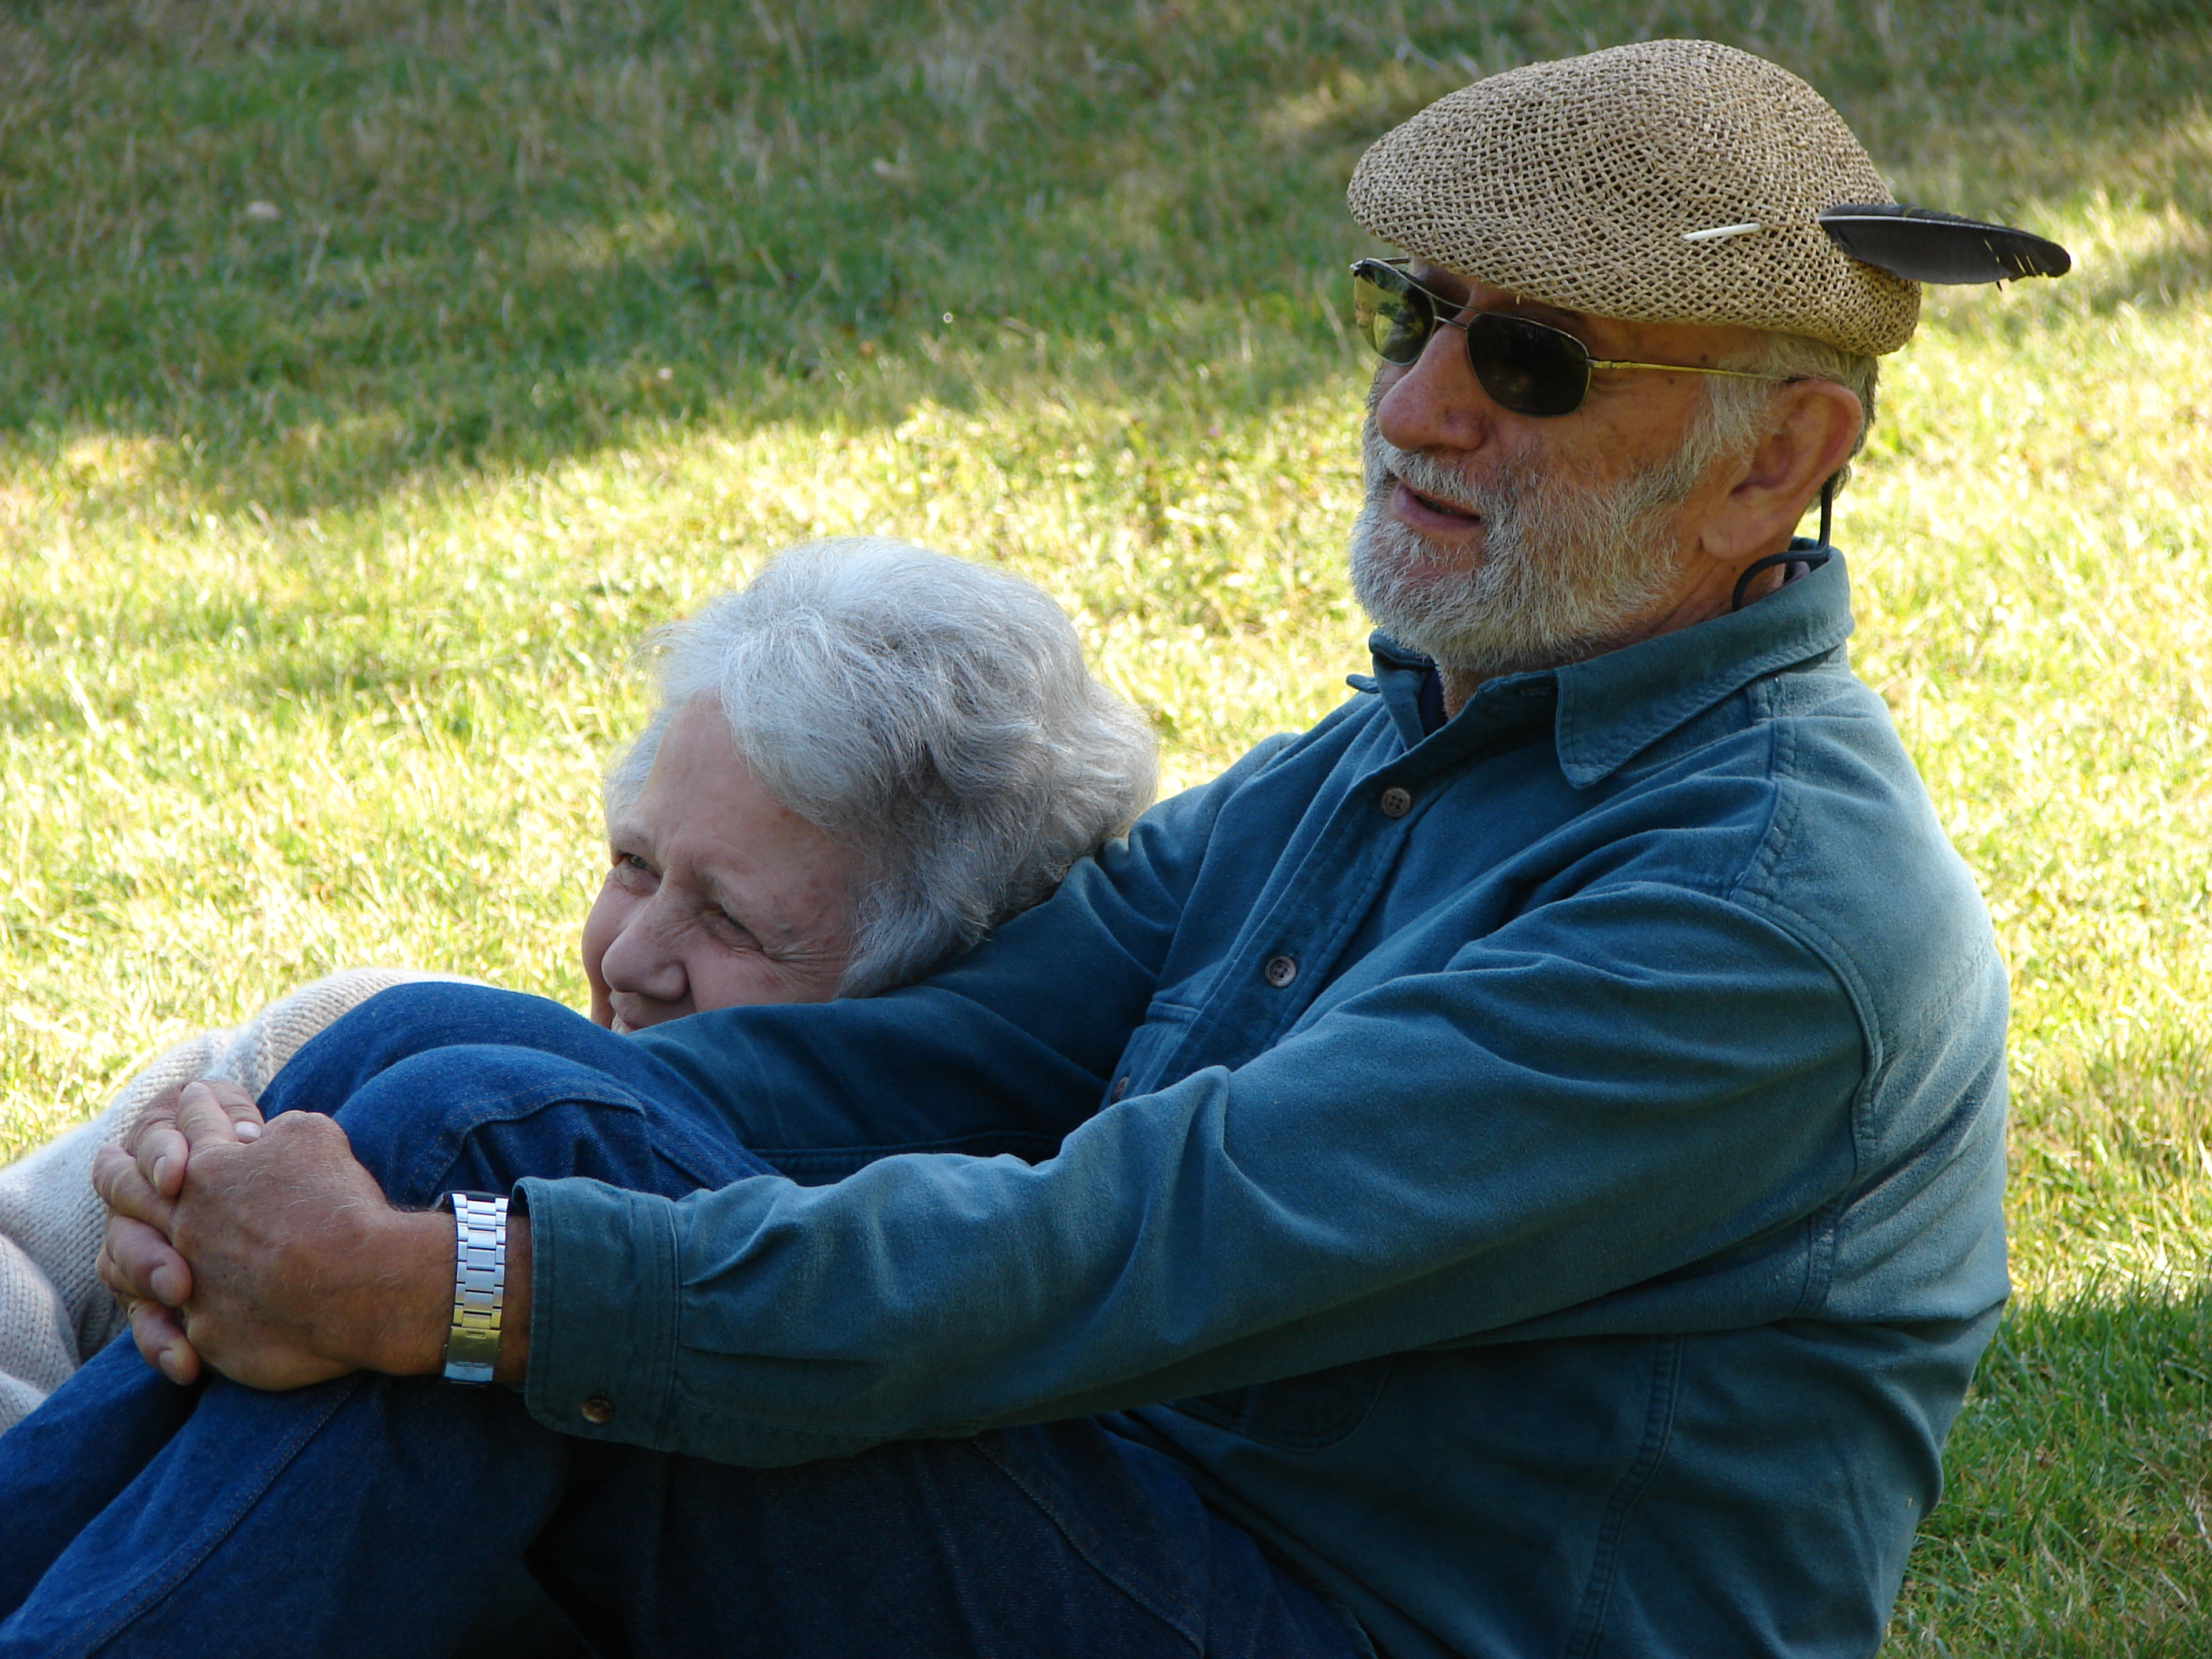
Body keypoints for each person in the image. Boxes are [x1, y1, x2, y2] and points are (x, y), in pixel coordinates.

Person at [1, 40, 2042, 1659]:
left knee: (483, 1218)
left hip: (1340, 1613)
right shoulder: (1420, 741)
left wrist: (441, 1279)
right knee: (440, 1073)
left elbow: (1125, 1245)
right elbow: (925, 1063)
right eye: (1407, 314)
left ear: (1778, 457)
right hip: (1165, 1525)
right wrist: (368, 1172)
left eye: (1533, 362)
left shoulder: (1763, 918)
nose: (1418, 406)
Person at [0, 534, 1155, 1426]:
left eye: (734, 923)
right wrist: (157, 1211)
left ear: (940, 997)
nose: (631, 958)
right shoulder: (345, 1045)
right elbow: (23, 1265)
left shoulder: (889, 1293)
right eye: (635, 864)